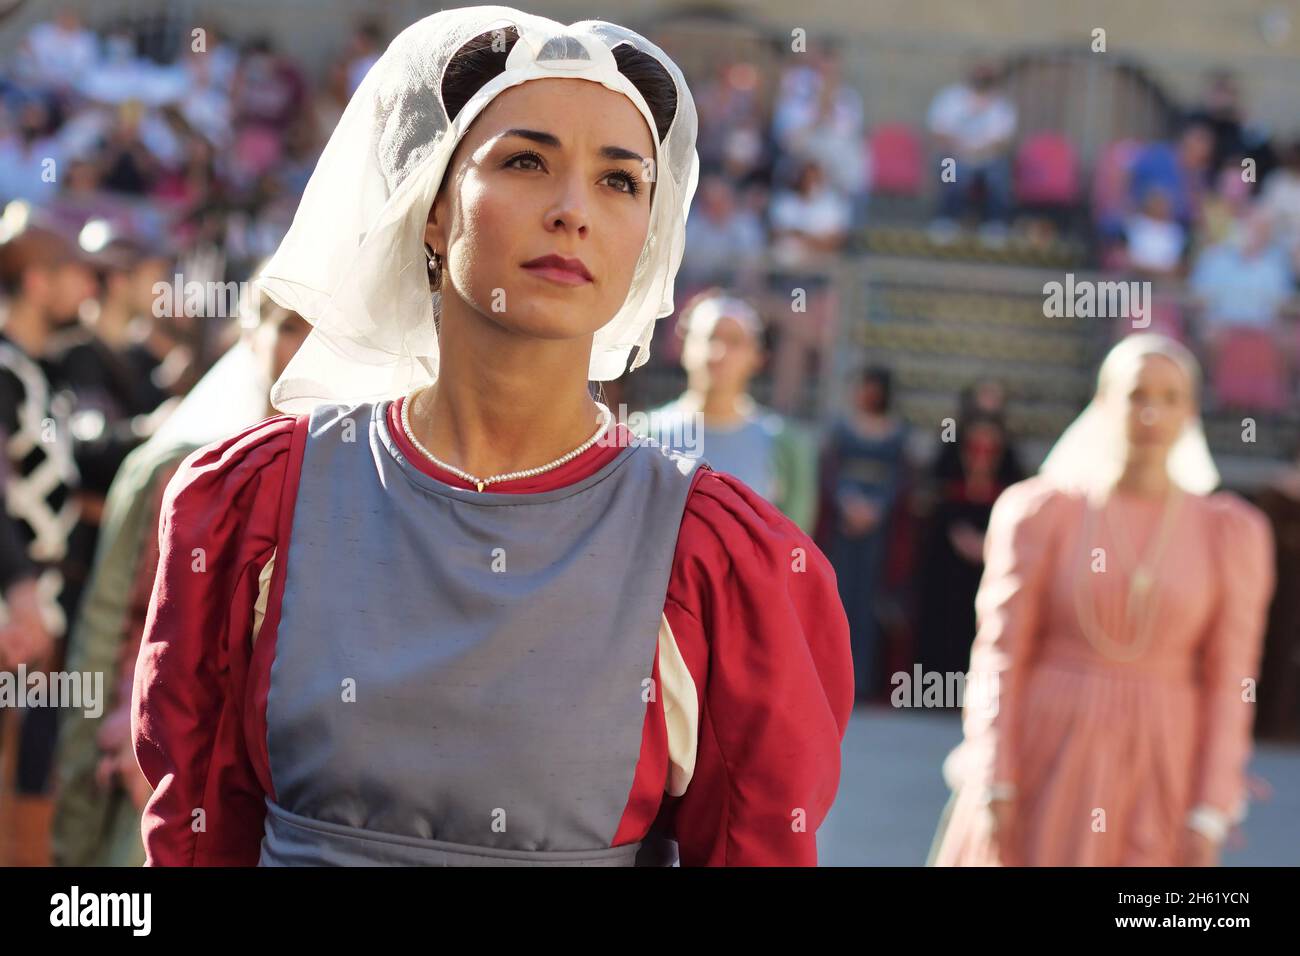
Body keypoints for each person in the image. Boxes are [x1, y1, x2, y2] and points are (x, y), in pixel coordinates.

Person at [131, 8, 853, 868]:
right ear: (431, 209)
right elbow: (197, 834)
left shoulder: (713, 558)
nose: (573, 210)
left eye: (621, 181)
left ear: (647, 236)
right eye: (525, 161)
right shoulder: (256, 503)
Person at [930, 333, 1276, 866]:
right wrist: (993, 771)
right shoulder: (1041, 512)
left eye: (1170, 397)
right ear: (1103, 402)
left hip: (1163, 764)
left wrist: (1212, 802)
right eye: (1137, 394)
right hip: (1044, 756)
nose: (1151, 412)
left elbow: (1233, 676)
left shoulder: (1230, 533)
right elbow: (1001, 650)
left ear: (1190, 413)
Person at [53, 275, 309, 867]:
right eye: (291, 326)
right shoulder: (172, 470)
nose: (307, 349)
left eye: (327, 329)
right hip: (154, 786)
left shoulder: (362, 480)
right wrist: (82, 816)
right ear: (251, 336)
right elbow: (102, 636)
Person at [641, 288, 818, 534]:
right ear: (683, 346)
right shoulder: (643, 435)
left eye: (734, 341)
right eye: (709, 337)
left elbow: (793, 548)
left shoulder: (786, 446)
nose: (719, 353)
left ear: (757, 357)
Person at [818, 366, 909, 704]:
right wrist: (846, 503)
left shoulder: (897, 433)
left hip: (878, 532)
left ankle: (862, 680)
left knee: (868, 601)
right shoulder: (842, 429)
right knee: (839, 595)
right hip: (843, 527)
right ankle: (831, 676)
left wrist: (877, 509)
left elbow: (900, 480)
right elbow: (829, 472)